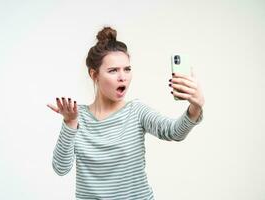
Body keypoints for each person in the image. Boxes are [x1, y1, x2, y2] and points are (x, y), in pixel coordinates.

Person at [47, 26, 204, 200]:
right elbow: (60, 168)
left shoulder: (136, 112)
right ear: (94, 75)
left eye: (127, 69)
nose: (123, 77)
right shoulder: (78, 117)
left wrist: (195, 107)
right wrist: (69, 123)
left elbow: (174, 132)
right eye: (113, 70)